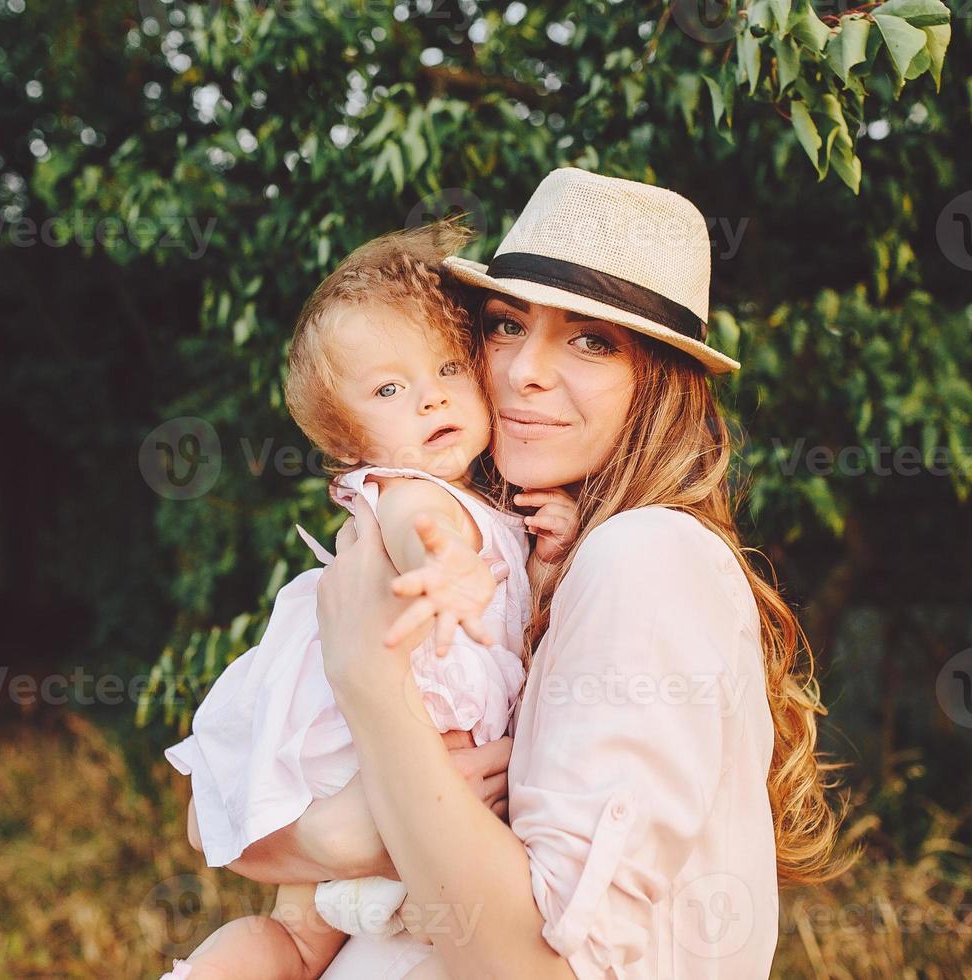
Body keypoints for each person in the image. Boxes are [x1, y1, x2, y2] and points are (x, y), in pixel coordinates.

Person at [232, 168, 848, 979]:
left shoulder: (647, 555)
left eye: (592, 340)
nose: (523, 370)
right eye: (503, 325)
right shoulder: (504, 552)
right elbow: (233, 824)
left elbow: (535, 968)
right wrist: (334, 833)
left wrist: (368, 684)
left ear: (657, 384)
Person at [157, 223, 581, 980]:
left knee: (293, 945)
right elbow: (424, 533)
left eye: (449, 368)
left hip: (402, 793)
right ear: (349, 438)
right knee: (304, 934)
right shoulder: (404, 494)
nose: (429, 399)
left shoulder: (489, 503)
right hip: (373, 758)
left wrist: (543, 556)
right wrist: (448, 564)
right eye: (389, 390)